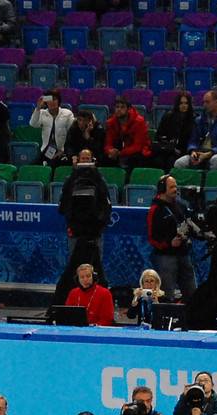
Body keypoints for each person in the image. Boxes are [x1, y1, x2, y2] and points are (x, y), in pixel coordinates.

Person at [55, 149, 110, 297]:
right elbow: (63, 206)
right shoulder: (70, 180)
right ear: (77, 160)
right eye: (82, 159)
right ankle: (74, 297)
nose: (85, 162)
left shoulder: (100, 181)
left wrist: (99, 225)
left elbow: (106, 206)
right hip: (76, 233)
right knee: (75, 266)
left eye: (88, 159)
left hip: (95, 233)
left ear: (93, 160)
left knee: (95, 267)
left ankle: (96, 298)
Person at [146, 175, 196, 301]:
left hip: (183, 253)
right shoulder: (155, 209)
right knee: (166, 294)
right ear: (163, 189)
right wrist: (169, 244)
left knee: (191, 291)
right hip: (165, 256)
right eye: (172, 187)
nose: (176, 189)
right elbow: (152, 238)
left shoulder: (180, 205)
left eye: (176, 186)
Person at [175, 90, 217, 171]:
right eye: (203, 102)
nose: (204, 105)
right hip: (199, 152)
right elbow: (193, 140)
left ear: (216, 102)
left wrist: (210, 153)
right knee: (179, 163)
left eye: (207, 102)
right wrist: (192, 150)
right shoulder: (199, 120)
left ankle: (213, 183)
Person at [103, 97, 151, 172]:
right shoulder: (111, 123)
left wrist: (120, 153)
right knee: (104, 157)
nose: (119, 109)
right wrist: (110, 151)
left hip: (137, 151)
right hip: (119, 150)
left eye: (122, 107)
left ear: (128, 109)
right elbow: (108, 143)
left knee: (135, 158)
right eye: (117, 107)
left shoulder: (139, 122)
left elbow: (138, 146)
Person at [29, 90, 73, 166]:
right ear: (46, 102)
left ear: (58, 101)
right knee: (33, 167)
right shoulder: (42, 113)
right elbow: (33, 124)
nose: (52, 102)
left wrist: (64, 150)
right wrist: (38, 108)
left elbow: (72, 133)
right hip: (46, 150)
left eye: (54, 99)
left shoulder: (67, 113)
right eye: (49, 100)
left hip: (61, 150)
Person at [153, 91, 195, 168]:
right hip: (167, 150)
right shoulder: (168, 117)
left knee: (171, 161)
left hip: (184, 151)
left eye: (186, 103)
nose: (183, 106)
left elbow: (192, 140)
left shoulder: (193, 119)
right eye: (181, 103)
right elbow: (159, 135)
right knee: (157, 161)